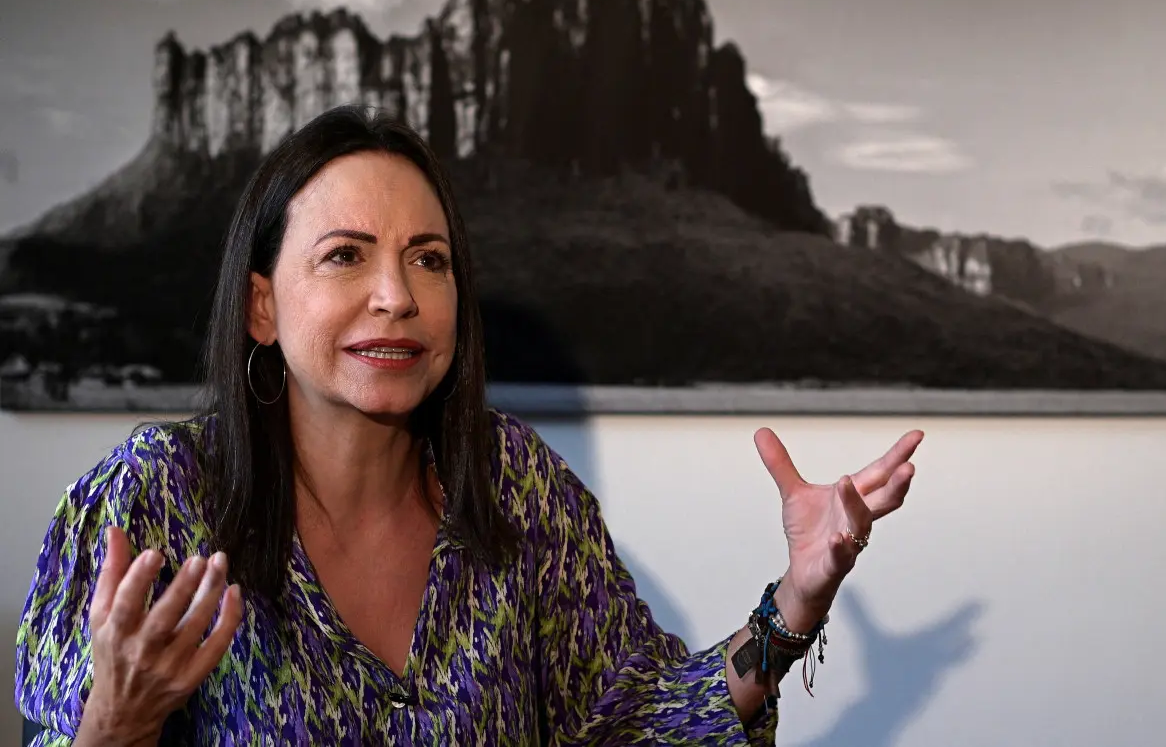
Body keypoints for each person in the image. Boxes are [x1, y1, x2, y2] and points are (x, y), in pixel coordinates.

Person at [13, 105, 922, 746]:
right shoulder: (154, 499)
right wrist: (113, 726)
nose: (396, 296)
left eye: (428, 259)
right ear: (261, 306)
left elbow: (631, 722)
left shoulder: (514, 483)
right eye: (345, 256)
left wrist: (799, 598)